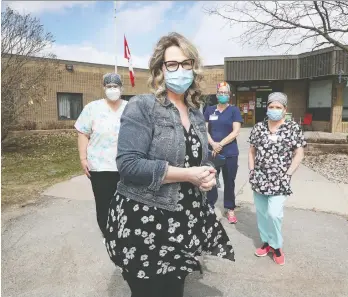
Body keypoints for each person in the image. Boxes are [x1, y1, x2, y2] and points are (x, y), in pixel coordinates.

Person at [104, 32, 235, 297]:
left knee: (174, 290)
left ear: (193, 67)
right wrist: (188, 175)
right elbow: (128, 165)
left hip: (183, 219)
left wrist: (207, 173)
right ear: (160, 70)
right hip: (145, 220)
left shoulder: (197, 112)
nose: (180, 70)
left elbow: (197, 157)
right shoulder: (142, 106)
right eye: (172, 64)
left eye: (185, 63)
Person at [248, 92, 306, 266]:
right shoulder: (258, 128)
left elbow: (299, 153)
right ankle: (266, 242)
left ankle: (277, 246)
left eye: (278, 107)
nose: (274, 110)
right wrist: (252, 171)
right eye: (271, 107)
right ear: (267, 108)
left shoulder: (292, 128)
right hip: (259, 178)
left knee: (274, 214)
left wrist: (288, 174)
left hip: (280, 180)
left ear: (285, 109)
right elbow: (252, 151)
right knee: (262, 214)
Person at [75, 73, 127, 237]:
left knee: (125, 203)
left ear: (121, 88)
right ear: (104, 88)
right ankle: (108, 235)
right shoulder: (92, 108)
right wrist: (83, 158)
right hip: (99, 166)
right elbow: (83, 132)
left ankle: (123, 234)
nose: (113, 89)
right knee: (104, 204)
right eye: (109, 86)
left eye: (116, 86)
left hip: (125, 166)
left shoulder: (129, 107)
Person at [204, 81, 243, 224]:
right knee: (211, 180)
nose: (222, 95)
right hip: (212, 152)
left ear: (229, 95)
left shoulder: (234, 111)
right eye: (220, 92)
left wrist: (220, 144)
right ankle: (209, 206)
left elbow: (236, 131)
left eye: (225, 93)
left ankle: (230, 208)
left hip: (230, 152)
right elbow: (205, 129)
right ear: (216, 94)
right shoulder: (209, 110)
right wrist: (213, 144)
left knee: (229, 181)